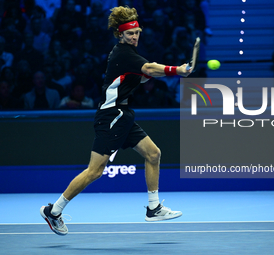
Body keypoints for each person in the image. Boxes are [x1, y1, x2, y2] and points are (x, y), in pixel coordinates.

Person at [40, 5, 192, 236]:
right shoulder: (124, 53)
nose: (134, 37)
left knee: (153, 154)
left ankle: (154, 208)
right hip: (112, 117)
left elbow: (144, 75)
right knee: (95, 171)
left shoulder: (127, 56)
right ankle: (54, 210)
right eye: (130, 34)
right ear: (120, 35)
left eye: (137, 32)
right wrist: (177, 69)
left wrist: (159, 73)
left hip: (123, 116)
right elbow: (150, 68)